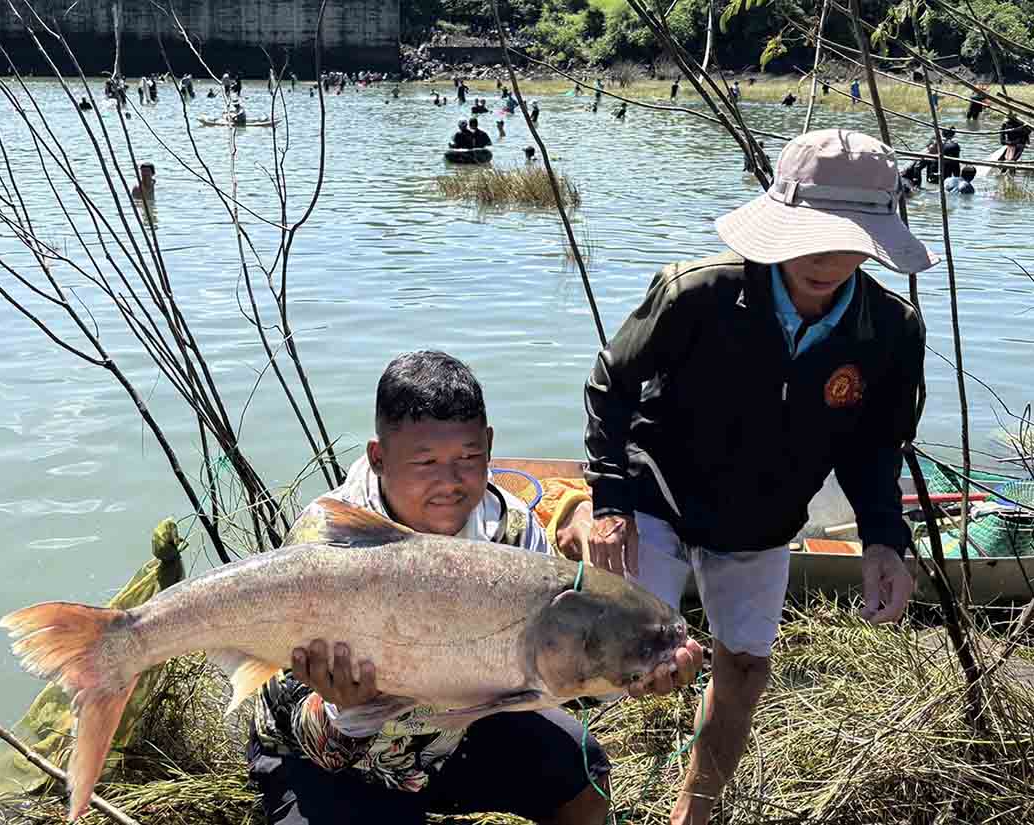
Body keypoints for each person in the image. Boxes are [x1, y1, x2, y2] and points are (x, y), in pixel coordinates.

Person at [581, 129, 936, 825]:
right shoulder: (698, 292)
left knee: (743, 667)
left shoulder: (890, 331)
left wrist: (884, 540)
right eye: (812, 235)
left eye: (852, 241)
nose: (828, 260)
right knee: (620, 665)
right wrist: (608, 500)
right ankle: (578, 800)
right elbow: (609, 383)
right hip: (658, 494)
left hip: (764, 519)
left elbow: (874, 447)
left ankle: (696, 812)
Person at [246, 351, 695, 825]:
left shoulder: (513, 531)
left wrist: (633, 672)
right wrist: (347, 707)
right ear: (378, 457)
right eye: (425, 462)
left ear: (489, 445)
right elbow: (314, 741)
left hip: (450, 734)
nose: (451, 482)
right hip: (326, 762)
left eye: (468, 457)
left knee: (585, 772)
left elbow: (543, 676)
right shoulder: (327, 545)